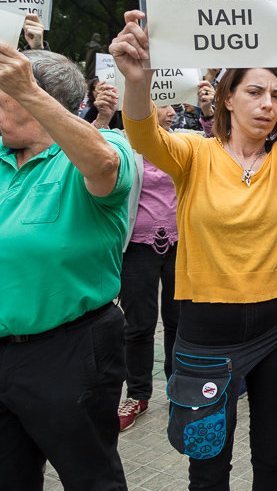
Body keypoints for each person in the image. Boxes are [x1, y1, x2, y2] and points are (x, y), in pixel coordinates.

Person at [111, 9, 277, 490]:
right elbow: (142, 133)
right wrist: (136, 80)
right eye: (254, 92)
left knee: (273, 458)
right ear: (227, 98)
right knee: (207, 463)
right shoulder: (193, 153)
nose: (267, 104)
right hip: (206, 333)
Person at [0, 40, 134, 489]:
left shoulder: (103, 147)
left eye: (2, 93)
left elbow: (102, 165)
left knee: (90, 477)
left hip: (69, 353)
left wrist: (27, 88)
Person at [116, 103, 181, 432]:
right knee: (138, 325)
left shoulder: (184, 141)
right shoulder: (123, 142)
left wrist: (209, 108)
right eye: (161, 104)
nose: (168, 111)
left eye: (171, 104)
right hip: (137, 247)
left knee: (177, 321)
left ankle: (177, 389)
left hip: (180, 245)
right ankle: (138, 394)